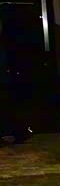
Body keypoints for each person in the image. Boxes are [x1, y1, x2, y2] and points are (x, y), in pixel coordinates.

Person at [0, 15, 30, 143]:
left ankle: (11, 133)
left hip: (6, 80)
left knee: (8, 106)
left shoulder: (7, 40)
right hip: (5, 79)